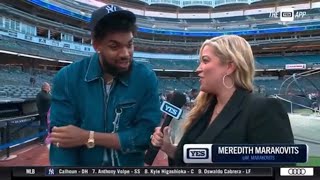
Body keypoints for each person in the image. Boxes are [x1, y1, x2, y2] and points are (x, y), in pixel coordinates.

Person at [151, 35, 294, 166]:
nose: (197, 69)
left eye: (205, 61)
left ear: (229, 66)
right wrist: (170, 149)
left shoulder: (264, 110)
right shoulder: (203, 111)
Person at [49, 4, 161, 166]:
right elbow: (62, 142)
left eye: (129, 44)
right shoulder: (67, 78)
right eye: (114, 46)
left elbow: (145, 136)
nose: (125, 54)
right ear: (97, 45)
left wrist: (88, 136)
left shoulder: (146, 78)